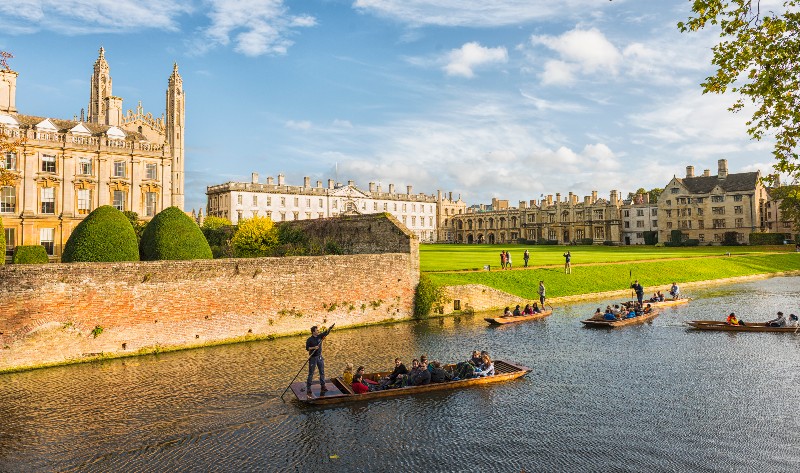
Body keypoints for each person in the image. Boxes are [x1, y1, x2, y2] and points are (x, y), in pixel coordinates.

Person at [305, 324, 334, 398]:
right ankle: (308, 388)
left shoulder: (320, 336)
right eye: (317, 330)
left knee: (322, 372)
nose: (318, 331)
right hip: (313, 358)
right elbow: (307, 348)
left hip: (319, 357)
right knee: (311, 373)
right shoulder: (309, 339)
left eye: (318, 330)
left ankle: (323, 386)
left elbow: (326, 333)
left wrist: (330, 328)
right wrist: (314, 347)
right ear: (313, 332)